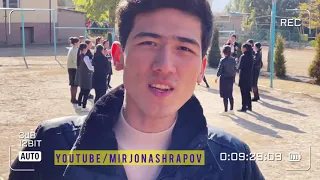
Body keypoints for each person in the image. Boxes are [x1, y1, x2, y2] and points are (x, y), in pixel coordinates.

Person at [9, 0, 264, 179]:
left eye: (184, 48)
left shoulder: (232, 161)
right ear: (118, 56)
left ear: (201, 68)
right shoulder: (51, 146)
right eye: (149, 42)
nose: (165, 66)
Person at [215, 45, 236, 115]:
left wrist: (217, 77)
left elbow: (220, 69)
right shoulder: (233, 60)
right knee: (230, 94)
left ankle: (226, 110)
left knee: (225, 95)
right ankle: (232, 109)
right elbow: (235, 69)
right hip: (231, 79)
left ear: (224, 52)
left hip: (224, 79)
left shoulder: (222, 60)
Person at [77, 43, 94, 112]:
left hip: (82, 76)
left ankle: (79, 105)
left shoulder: (79, 56)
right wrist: (95, 68)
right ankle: (84, 106)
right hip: (87, 76)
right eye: (86, 48)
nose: (87, 49)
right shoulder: (85, 57)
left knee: (82, 91)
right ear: (84, 49)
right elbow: (90, 67)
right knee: (86, 91)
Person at [238, 44, 254, 112]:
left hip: (243, 76)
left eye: (242, 48)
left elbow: (240, 67)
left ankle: (244, 107)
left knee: (243, 92)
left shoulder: (243, 56)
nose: (241, 49)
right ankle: (249, 106)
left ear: (245, 49)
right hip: (249, 76)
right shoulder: (251, 56)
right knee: (247, 92)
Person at [67, 37, 80, 104]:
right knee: (74, 85)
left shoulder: (72, 49)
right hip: (74, 68)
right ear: (75, 43)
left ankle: (73, 98)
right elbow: (76, 60)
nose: (79, 43)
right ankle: (73, 98)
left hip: (71, 68)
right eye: (78, 42)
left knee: (73, 84)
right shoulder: (75, 50)